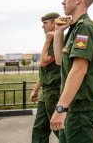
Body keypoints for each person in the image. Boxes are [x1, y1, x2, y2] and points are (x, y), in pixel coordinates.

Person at [50, 0, 93, 143]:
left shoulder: (84, 28)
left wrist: (61, 107)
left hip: (81, 106)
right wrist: (59, 32)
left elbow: (79, 69)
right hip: (74, 105)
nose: (63, 2)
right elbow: (59, 60)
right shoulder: (75, 28)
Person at [31, 12, 61, 143]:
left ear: (54, 24)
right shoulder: (52, 40)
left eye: (45, 23)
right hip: (46, 91)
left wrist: (48, 41)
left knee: (58, 128)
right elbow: (45, 71)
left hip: (54, 90)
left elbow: (43, 61)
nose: (43, 27)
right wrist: (36, 89)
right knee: (40, 127)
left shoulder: (58, 40)